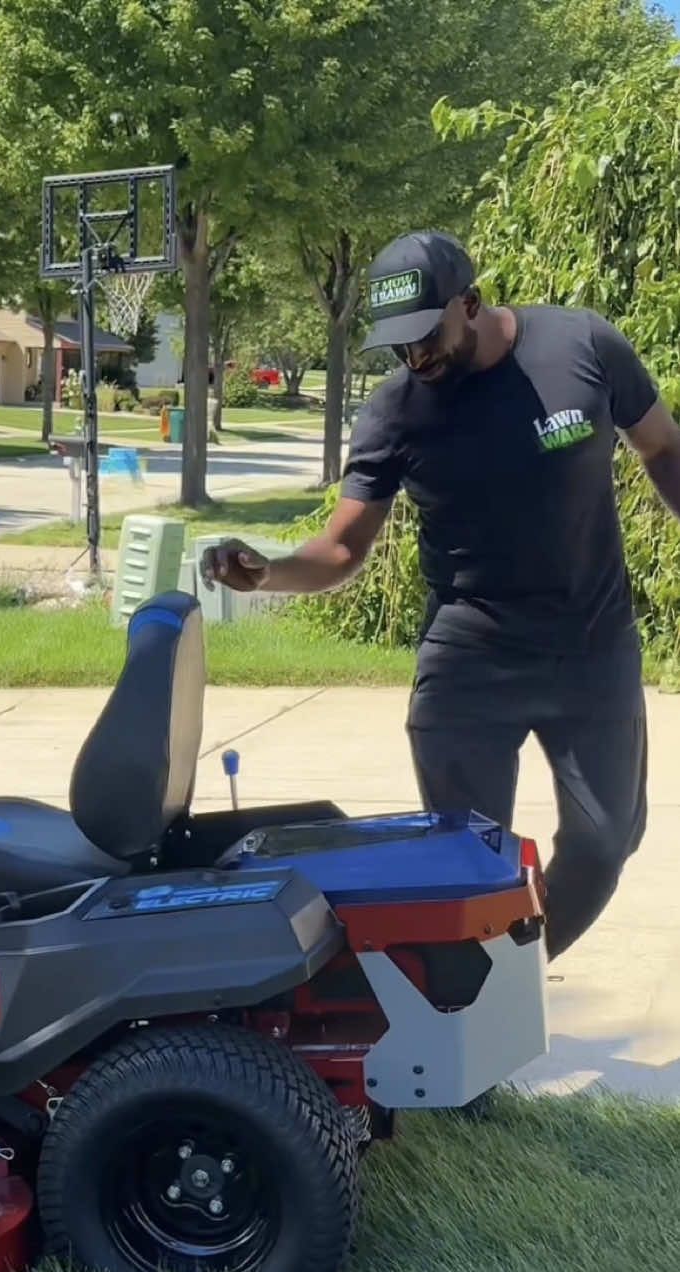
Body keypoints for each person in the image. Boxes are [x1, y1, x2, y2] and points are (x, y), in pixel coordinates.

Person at [202, 230, 680, 963]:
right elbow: (342, 548)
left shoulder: (582, 346)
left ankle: (511, 980)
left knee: (606, 840)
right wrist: (268, 572)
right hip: (469, 659)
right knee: (468, 866)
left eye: (427, 335)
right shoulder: (396, 413)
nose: (414, 355)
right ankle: (485, 1004)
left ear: (472, 304)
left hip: (591, 648)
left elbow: (662, 446)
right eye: (398, 343)